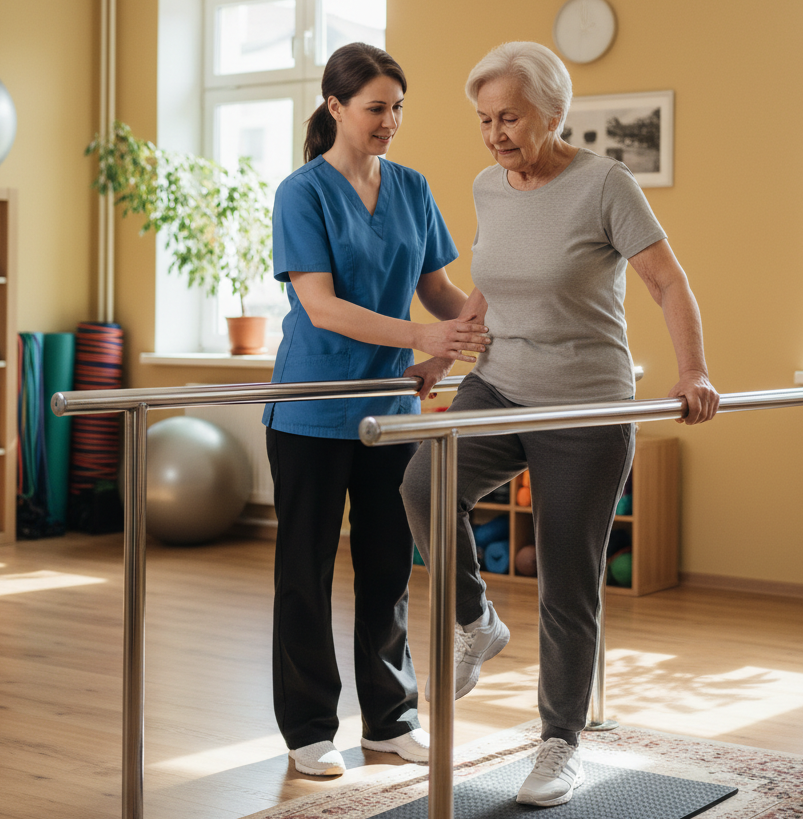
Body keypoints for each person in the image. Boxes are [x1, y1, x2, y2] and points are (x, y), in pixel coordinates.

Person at [400, 42, 719, 807]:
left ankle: (558, 744)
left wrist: (693, 371)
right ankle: (474, 617)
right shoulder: (487, 186)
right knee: (421, 484)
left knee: (567, 582)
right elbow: (489, 286)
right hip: (501, 386)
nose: (495, 133)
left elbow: (666, 281)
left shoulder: (605, 184)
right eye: (484, 119)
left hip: (586, 405)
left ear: (552, 112)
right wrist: (445, 357)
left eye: (508, 116)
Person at [263, 42, 490, 777]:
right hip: (312, 408)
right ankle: (307, 726)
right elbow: (321, 306)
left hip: (390, 409)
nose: (390, 121)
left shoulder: (414, 188)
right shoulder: (302, 192)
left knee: (389, 565)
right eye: (375, 108)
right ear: (335, 108)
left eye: (397, 108)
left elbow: (440, 294)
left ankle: (391, 719)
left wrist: (475, 332)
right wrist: (423, 335)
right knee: (305, 570)